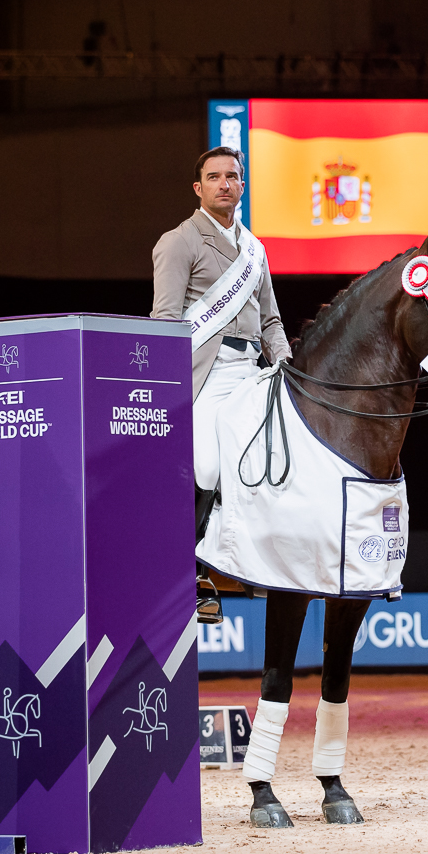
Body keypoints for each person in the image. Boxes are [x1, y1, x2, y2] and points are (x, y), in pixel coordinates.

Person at [152, 147, 291, 615]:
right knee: (209, 467)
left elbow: (270, 320)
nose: (224, 184)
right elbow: (167, 321)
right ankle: (188, 570)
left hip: (254, 372)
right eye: (214, 177)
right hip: (205, 373)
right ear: (199, 188)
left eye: (232, 176)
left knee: (284, 455)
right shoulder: (179, 241)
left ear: (243, 185)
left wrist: (287, 365)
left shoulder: (255, 249)